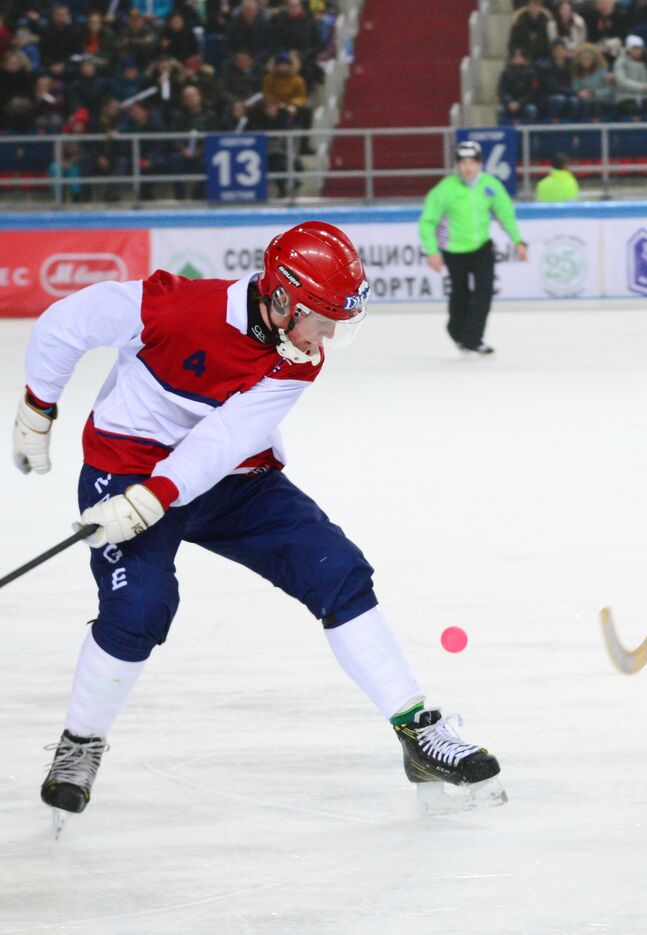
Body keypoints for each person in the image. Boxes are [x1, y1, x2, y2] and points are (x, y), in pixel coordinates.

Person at [12, 222, 505, 828]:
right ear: (281, 299)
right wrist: (39, 409)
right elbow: (65, 323)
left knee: (338, 571)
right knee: (139, 607)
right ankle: (79, 746)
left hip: (231, 481)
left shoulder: (299, 355)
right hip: (125, 465)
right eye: (321, 318)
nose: (326, 336)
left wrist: (160, 494)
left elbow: (225, 440)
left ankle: (417, 731)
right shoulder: (175, 305)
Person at [419, 140, 528, 355]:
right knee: (460, 293)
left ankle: (474, 338)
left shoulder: (490, 185)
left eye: (472, 162)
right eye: (463, 162)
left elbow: (505, 214)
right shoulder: (444, 189)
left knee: (484, 291)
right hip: (454, 251)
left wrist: (518, 240)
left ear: (480, 164)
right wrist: (432, 251)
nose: (468, 167)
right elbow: (427, 222)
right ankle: (455, 330)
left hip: (482, 248)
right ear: (457, 165)